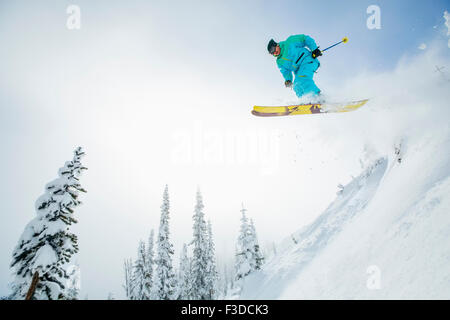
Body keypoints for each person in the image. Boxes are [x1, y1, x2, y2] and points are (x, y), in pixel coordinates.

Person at [268, 35, 322, 99]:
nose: (274, 53)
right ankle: (305, 102)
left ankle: (317, 97)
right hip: (299, 70)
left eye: (273, 49)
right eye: (271, 53)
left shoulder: (289, 42)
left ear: (277, 45)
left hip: (308, 61)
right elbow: (285, 72)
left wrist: (314, 49)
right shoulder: (279, 62)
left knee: (302, 78)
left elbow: (305, 39)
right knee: (296, 86)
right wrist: (288, 80)